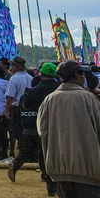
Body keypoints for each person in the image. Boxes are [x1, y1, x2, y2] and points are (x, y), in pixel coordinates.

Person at [38, 60, 100, 197]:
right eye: (82, 74)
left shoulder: (49, 100)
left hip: (59, 169)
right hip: (87, 169)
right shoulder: (89, 99)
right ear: (77, 76)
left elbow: (42, 131)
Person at [8, 63, 59, 195]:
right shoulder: (58, 89)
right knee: (47, 154)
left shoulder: (33, 91)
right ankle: (50, 186)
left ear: (41, 74)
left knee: (27, 150)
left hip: (32, 126)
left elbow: (25, 108)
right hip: (51, 127)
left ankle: (15, 165)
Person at [4, 56, 33, 155]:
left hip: (16, 107)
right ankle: (27, 151)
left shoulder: (14, 79)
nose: (11, 67)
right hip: (28, 107)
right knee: (27, 130)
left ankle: (16, 151)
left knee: (15, 131)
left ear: (17, 66)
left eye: (12, 65)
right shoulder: (30, 78)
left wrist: (7, 110)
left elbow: (10, 97)